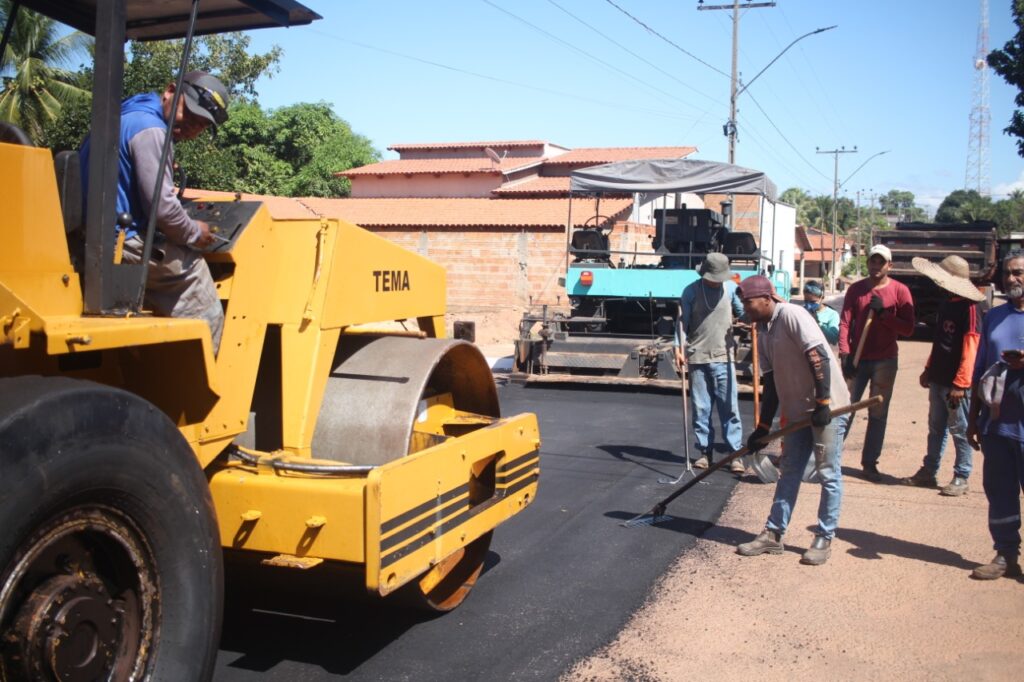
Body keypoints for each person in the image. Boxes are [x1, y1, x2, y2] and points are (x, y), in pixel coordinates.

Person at [80, 70, 230, 351]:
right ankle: (199, 374)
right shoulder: (152, 130)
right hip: (122, 243)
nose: (192, 128)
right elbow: (163, 210)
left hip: (89, 235)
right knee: (194, 276)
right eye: (190, 114)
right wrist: (195, 232)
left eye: (201, 125)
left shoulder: (127, 115)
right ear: (171, 90)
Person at [735, 275, 851, 565]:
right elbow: (771, 382)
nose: (745, 309)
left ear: (767, 299)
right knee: (789, 470)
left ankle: (824, 537)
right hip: (798, 412)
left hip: (829, 408)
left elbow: (818, 357)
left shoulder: (792, 315)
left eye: (748, 303)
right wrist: (763, 428)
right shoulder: (762, 330)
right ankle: (774, 534)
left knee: (828, 473)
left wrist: (823, 403)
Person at [902, 255, 984, 496]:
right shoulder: (947, 303)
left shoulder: (971, 308)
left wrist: (961, 383)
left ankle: (961, 475)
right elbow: (940, 342)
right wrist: (929, 369)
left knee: (960, 429)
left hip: (955, 384)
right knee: (936, 428)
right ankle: (929, 471)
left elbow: (971, 348)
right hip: (938, 378)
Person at [966, 249, 1024, 580]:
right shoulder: (994, 316)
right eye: (1007, 273)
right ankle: (1005, 555)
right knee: (999, 491)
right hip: (997, 425)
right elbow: (980, 370)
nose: (1011, 278)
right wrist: (974, 418)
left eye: (1018, 272)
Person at [837, 244, 915, 482]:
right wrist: (845, 354)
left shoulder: (900, 291)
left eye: (881, 262)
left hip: (885, 361)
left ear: (889, 265)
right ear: (867, 263)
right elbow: (845, 322)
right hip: (857, 360)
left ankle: (870, 464)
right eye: (873, 261)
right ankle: (831, 460)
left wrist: (884, 314)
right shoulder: (856, 290)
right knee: (844, 410)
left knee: (878, 413)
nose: (876, 266)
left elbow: (908, 328)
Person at [673, 252, 745, 473]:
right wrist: (678, 348)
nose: (716, 282)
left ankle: (735, 454)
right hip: (698, 356)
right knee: (701, 408)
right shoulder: (691, 291)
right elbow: (682, 323)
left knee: (729, 408)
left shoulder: (730, 289)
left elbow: (743, 312)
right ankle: (705, 452)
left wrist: (752, 317)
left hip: (724, 356)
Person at [801, 280, 839, 345]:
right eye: (806, 301)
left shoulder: (832, 314)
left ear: (822, 297)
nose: (808, 305)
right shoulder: (801, 311)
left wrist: (818, 323)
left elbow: (834, 339)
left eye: (812, 302)